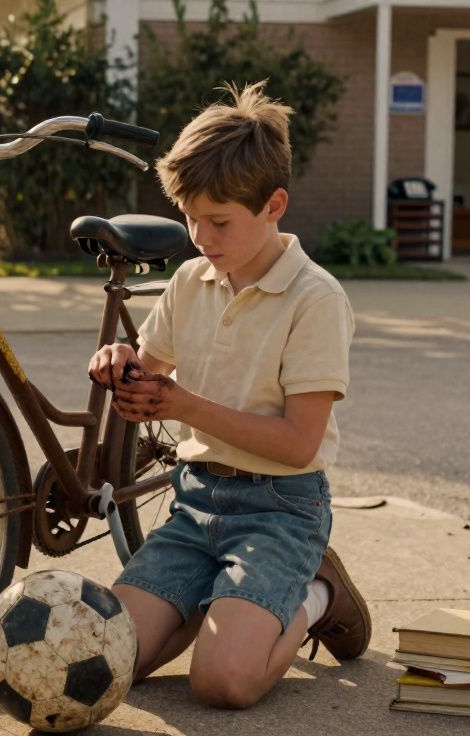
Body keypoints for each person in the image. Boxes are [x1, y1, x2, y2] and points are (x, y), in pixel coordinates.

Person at [87, 81, 370, 709]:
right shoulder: (193, 280)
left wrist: (184, 405)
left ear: (274, 205)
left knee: (223, 683)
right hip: (196, 505)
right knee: (108, 664)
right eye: (189, 217)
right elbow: (152, 363)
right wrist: (121, 364)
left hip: (281, 509)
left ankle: (317, 592)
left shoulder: (315, 300)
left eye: (218, 221)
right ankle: (220, 598)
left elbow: (300, 445)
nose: (199, 236)